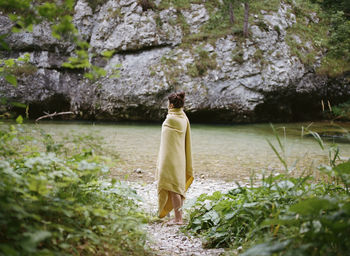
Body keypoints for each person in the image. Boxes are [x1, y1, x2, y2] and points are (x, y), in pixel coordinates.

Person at [156, 91, 194, 225]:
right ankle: (178, 216)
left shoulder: (171, 119)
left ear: (171, 105)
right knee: (177, 187)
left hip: (170, 159)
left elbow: (167, 143)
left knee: (173, 188)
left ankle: (178, 219)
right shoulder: (183, 117)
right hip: (179, 158)